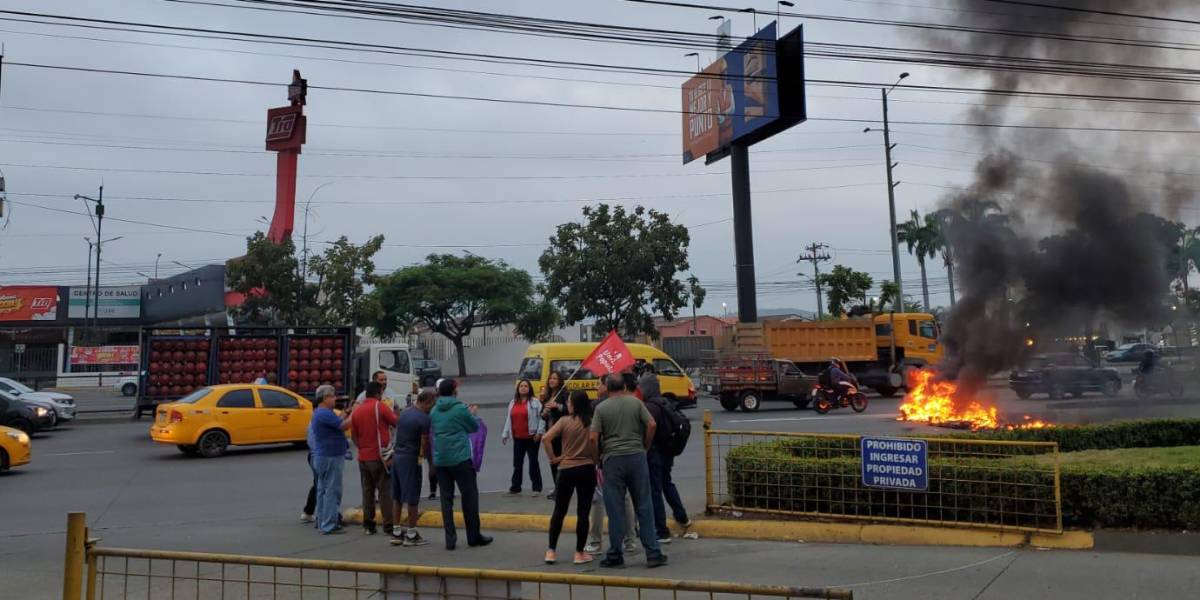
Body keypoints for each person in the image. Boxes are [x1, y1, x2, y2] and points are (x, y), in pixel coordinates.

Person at [589, 374, 667, 569]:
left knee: (615, 509)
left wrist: (597, 457)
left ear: (607, 388)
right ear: (624, 386)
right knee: (644, 505)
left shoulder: (601, 408)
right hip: (636, 457)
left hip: (612, 459)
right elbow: (651, 424)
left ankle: (615, 554)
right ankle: (653, 553)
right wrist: (645, 446)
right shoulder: (635, 403)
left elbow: (592, 437)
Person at [431, 378, 493, 550]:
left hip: (441, 459)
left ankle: (450, 539)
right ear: (454, 391)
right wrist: (472, 414)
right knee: (469, 496)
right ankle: (473, 536)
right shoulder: (459, 408)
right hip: (460, 458)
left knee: (446, 498)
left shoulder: (434, 411)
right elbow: (473, 427)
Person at [542, 390, 598, 565]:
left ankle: (551, 551)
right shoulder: (591, 423)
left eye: (569, 401)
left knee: (559, 510)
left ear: (574, 404)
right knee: (583, 512)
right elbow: (595, 443)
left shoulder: (564, 421)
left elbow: (546, 438)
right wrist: (595, 459)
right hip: (586, 469)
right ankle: (579, 553)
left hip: (566, 469)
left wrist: (554, 459)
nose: (567, 404)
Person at [639, 373, 691, 544]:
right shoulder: (665, 402)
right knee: (667, 483)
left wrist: (645, 445)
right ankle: (682, 517)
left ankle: (662, 531)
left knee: (655, 490)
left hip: (655, 452)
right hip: (668, 450)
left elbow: (649, 427)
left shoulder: (650, 407)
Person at [389, 388, 436, 547]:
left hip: (397, 456)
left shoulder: (405, 413)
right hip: (411, 458)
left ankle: (396, 532)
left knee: (397, 495)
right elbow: (424, 442)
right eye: (432, 404)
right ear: (426, 402)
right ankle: (411, 533)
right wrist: (426, 460)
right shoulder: (424, 419)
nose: (432, 408)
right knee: (412, 496)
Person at [350, 381, 397, 536]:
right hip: (379, 457)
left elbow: (354, 436)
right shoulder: (380, 406)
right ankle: (388, 526)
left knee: (367, 492)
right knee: (385, 492)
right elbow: (396, 422)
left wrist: (363, 448)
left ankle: (369, 525)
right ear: (378, 394)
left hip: (363, 458)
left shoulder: (357, 411)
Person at [310, 384, 352, 534]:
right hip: (330, 456)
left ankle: (321, 521)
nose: (335, 399)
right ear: (325, 398)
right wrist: (356, 414)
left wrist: (346, 412)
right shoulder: (324, 413)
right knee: (332, 491)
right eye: (333, 396)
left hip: (324, 456)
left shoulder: (322, 413)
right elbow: (343, 426)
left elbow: (337, 422)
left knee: (322, 489)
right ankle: (329, 524)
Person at [502, 379, 545, 496]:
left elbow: (542, 418)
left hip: (532, 437)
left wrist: (539, 432)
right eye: (521, 386)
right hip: (518, 438)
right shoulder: (513, 402)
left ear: (529, 388)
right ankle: (515, 487)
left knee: (533, 463)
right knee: (517, 463)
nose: (523, 388)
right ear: (518, 389)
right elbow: (508, 419)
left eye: (526, 386)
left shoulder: (535, 402)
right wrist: (505, 434)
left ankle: (537, 488)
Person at [540, 371, 567, 499]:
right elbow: (542, 414)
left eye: (555, 378)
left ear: (560, 380)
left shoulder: (563, 394)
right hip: (549, 433)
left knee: (560, 461)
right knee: (553, 461)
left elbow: (568, 410)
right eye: (550, 378)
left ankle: (561, 489)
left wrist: (557, 406)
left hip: (560, 433)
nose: (552, 380)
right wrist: (544, 412)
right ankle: (557, 487)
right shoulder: (548, 395)